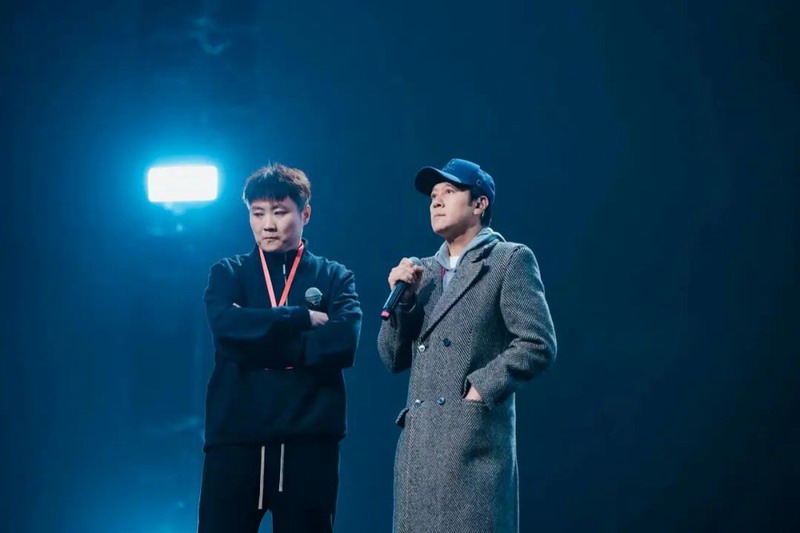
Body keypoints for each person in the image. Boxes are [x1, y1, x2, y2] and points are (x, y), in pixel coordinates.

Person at [378, 158, 557, 532]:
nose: (436, 201)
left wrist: (480, 389)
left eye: (449, 191)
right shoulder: (421, 272)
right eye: (433, 195)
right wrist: (404, 301)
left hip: (473, 445)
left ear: (479, 203)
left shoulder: (508, 260)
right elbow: (391, 357)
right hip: (419, 449)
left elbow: (538, 342)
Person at [198, 163, 362, 533]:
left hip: (309, 442)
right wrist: (298, 317)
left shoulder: (335, 277)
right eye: (257, 214)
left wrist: (255, 337)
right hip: (235, 440)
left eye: (279, 212)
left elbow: (343, 344)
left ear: (305, 214)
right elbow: (225, 328)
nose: (267, 225)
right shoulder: (228, 273)